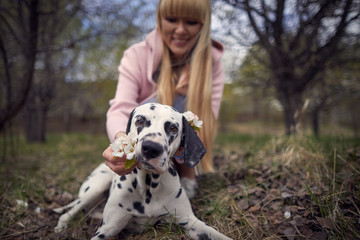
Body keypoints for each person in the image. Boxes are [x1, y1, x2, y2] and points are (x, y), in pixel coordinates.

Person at [102, 0, 224, 198]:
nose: (180, 30)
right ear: (159, 20)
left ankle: (186, 173)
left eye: (191, 22)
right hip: (140, 146)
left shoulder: (213, 65)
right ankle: (139, 166)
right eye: (172, 19)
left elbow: (207, 120)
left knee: (190, 114)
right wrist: (122, 142)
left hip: (175, 150)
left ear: (204, 25)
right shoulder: (136, 55)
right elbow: (121, 108)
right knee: (156, 108)